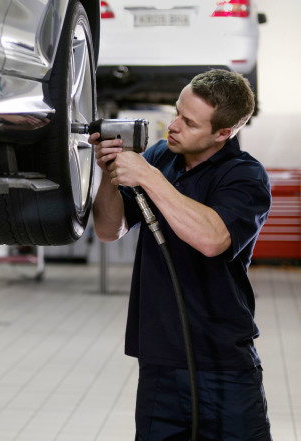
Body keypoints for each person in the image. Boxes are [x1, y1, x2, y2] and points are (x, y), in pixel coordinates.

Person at [90, 69, 273, 440]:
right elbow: (109, 230)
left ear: (223, 132)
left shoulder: (245, 176)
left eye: (189, 123)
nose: (173, 126)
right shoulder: (161, 157)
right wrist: (110, 175)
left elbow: (212, 239)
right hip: (159, 361)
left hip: (223, 365)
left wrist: (149, 177)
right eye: (177, 112)